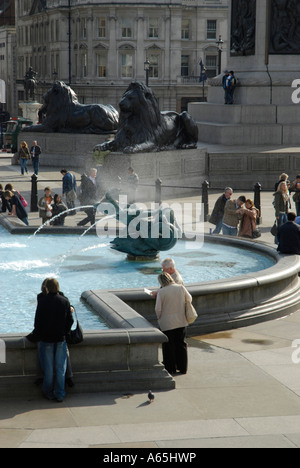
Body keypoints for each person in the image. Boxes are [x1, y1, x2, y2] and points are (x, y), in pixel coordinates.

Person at [33, 278, 74, 401]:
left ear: (47, 288)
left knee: (49, 369)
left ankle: (48, 392)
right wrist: (64, 332)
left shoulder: (42, 301)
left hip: (46, 340)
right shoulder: (64, 301)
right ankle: (60, 393)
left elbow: (37, 322)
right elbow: (70, 321)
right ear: (58, 287)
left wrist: (41, 334)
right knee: (60, 368)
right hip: (60, 339)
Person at [155, 272, 192, 375]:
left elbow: (158, 309)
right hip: (181, 320)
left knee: (168, 346)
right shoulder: (180, 287)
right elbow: (189, 298)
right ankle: (183, 368)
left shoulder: (161, 292)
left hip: (167, 323)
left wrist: (159, 319)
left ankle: (170, 368)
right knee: (181, 345)